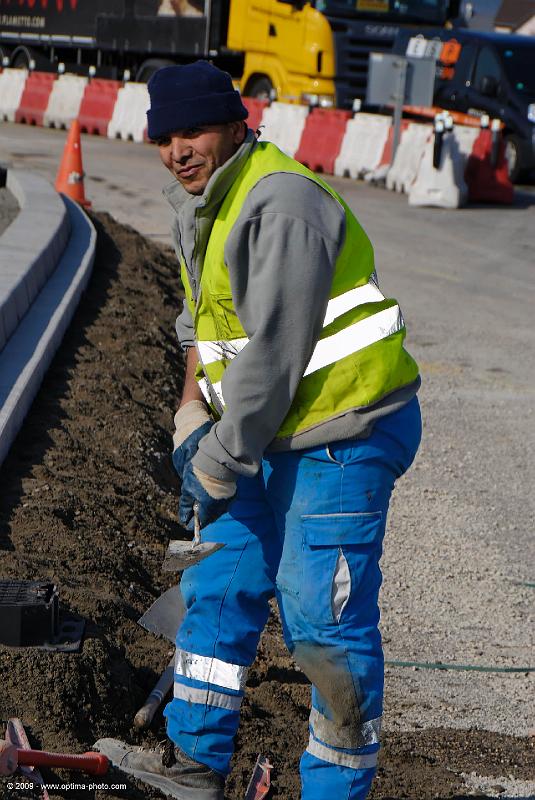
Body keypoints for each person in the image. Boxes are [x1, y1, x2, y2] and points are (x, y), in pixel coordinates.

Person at [97, 61, 422, 800]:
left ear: (236, 127)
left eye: (194, 132)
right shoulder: (201, 202)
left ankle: (334, 790)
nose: (178, 150)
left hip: (343, 432)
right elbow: (201, 327)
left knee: (320, 623)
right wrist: (191, 414)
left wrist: (220, 455)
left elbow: (274, 352)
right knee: (219, 584)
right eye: (165, 137)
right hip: (259, 431)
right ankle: (193, 762)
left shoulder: (279, 204)